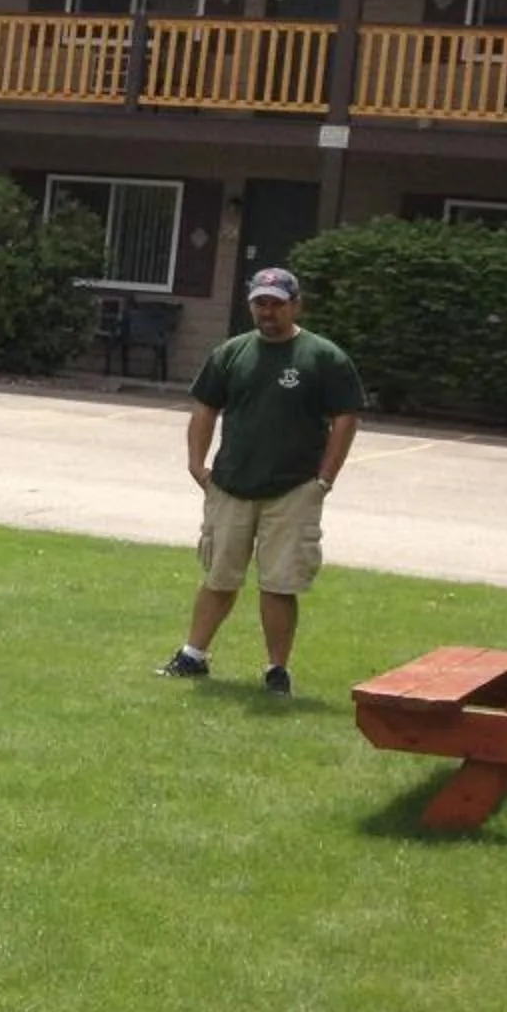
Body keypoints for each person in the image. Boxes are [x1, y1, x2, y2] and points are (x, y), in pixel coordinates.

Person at [159, 264, 363, 695]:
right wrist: (197, 466)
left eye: (276, 303)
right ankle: (193, 656)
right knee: (219, 575)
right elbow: (205, 410)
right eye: (260, 303)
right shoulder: (231, 353)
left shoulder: (323, 357)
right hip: (231, 484)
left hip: (294, 489)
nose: (267, 312)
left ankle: (276, 671)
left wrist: (324, 480)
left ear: (295, 304)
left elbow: (346, 417)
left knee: (279, 583)